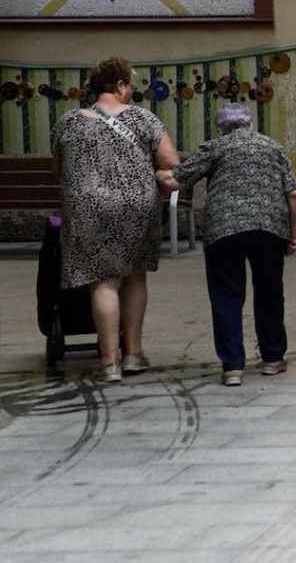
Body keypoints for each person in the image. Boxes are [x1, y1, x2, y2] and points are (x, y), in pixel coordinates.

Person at [50, 57, 178, 384]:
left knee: (103, 282)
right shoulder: (143, 118)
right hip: (136, 205)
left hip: (87, 205)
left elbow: (60, 170)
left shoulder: (68, 121)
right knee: (134, 277)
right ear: (120, 85)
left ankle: (110, 362)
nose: (131, 90)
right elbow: (170, 163)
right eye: (130, 84)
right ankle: (133, 353)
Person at [171, 103, 296, 387]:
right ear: (249, 123)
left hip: (224, 229)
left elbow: (177, 178)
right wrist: (294, 233)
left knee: (226, 295)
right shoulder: (273, 147)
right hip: (269, 228)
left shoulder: (215, 148)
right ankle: (272, 359)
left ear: (222, 127)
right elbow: (294, 193)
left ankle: (232, 367)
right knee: (269, 292)